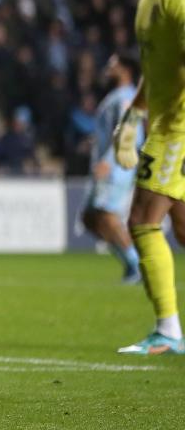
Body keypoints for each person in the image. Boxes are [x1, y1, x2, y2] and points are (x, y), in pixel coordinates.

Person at [113, 0, 185, 355]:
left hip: (178, 128)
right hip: (161, 123)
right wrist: (132, 115)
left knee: (141, 220)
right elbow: (155, 71)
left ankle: (169, 331)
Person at [79, 51, 142, 283]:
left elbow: (129, 132)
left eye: (113, 63)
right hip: (106, 162)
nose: (108, 66)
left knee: (106, 214)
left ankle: (137, 264)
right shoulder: (116, 96)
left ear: (125, 69)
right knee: (89, 218)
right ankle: (130, 263)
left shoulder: (126, 97)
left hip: (117, 164)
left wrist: (109, 160)